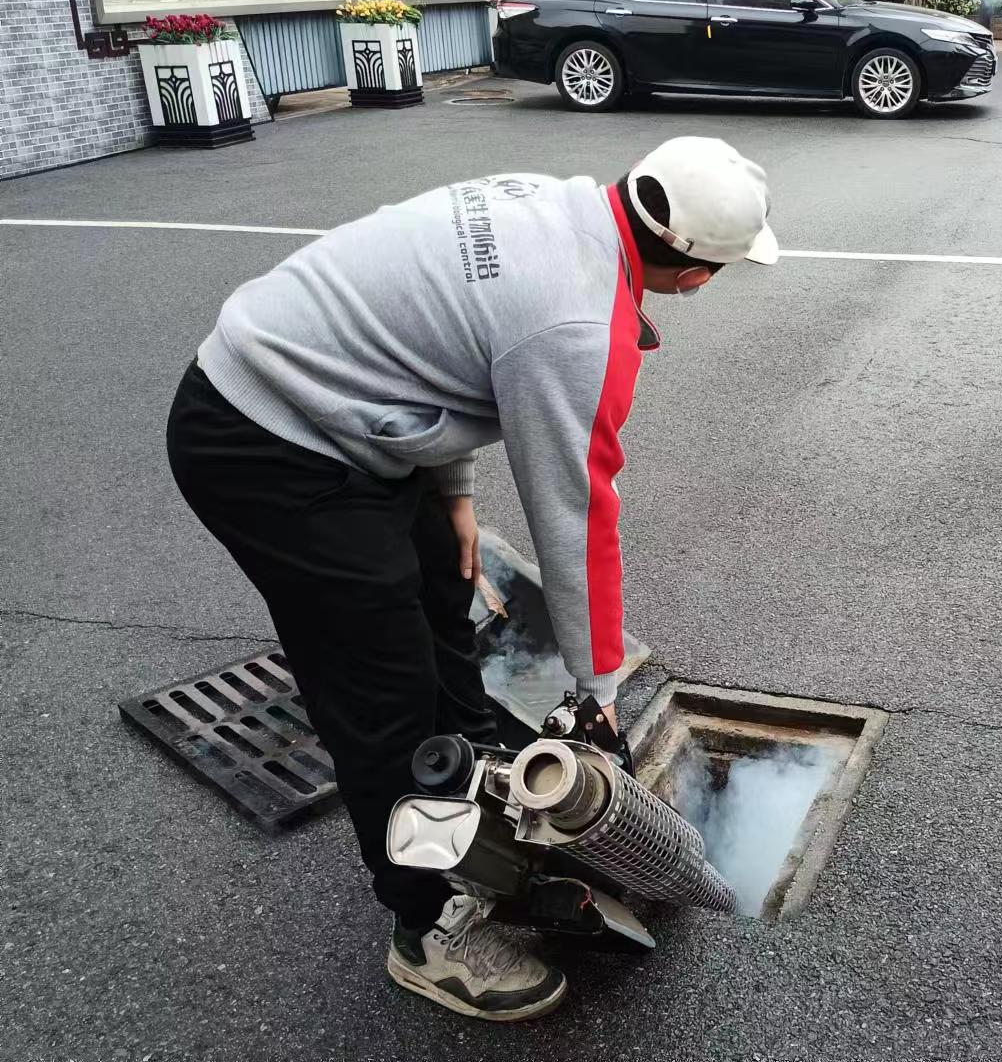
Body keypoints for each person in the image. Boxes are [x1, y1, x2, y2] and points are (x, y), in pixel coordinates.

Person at [166, 136, 777, 1022]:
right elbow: (577, 518)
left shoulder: (560, 203)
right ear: (692, 274)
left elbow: (442, 336)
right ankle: (427, 927)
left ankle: (471, 816)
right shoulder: (576, 328)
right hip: (266, 440)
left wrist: (449, 487)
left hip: (347, 414)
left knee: (444, 608)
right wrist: (595, 690)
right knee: (383, 694)